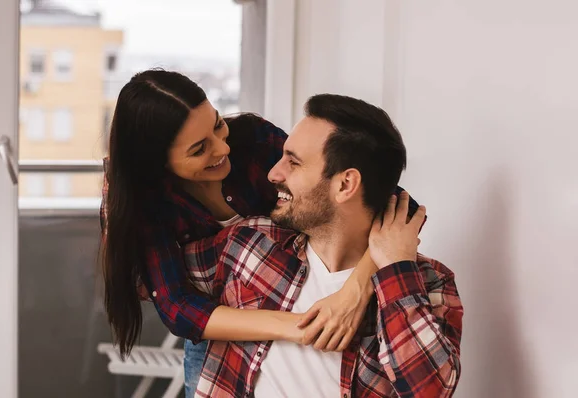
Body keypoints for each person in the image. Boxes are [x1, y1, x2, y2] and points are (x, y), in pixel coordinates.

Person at [100, 69, 420, 397]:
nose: (222, 148)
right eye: (199, 150)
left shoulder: (252, 139)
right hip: (223, 332)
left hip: (310, 294)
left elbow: (398, 203)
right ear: (156, 163)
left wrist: (353, 292)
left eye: (217, 124)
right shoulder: (143, 199)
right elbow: (179, 308)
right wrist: (299, 326)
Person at [180, 94, 463, 397]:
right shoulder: (251, 244)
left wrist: (395, 270)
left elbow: (430, 390)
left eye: (294, 162)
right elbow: (147, 283)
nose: (274, 173)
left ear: (345, 185)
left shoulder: (426, 281)